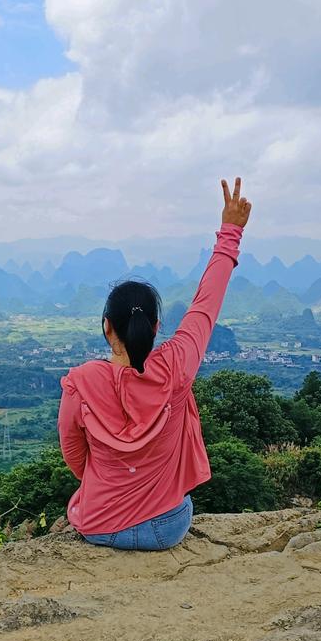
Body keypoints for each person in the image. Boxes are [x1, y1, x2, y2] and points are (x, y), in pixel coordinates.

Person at [57, 178, 253, 550]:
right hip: (165, 529)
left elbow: (74, 451)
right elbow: (205, 306)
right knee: (183, 502)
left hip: (99, 525)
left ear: (106, 326)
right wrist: (231, 232)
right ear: (157, 326)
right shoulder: (177, 365)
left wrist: (108, 483)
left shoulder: (80, 383)